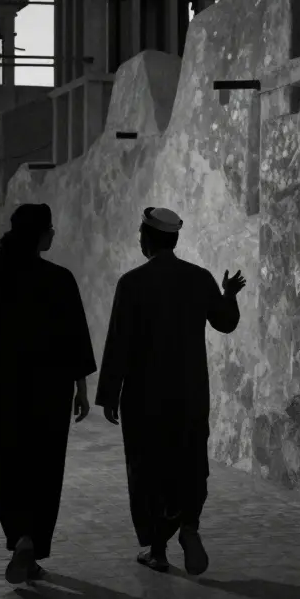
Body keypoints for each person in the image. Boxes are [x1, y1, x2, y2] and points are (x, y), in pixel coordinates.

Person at [95, 207, 246, 575]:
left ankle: (157, 549)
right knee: (189, 462)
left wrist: (109, 394)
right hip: (190, 393)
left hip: (144, 397)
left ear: (147, 240)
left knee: (148, 469)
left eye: (140, 235)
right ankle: (189, 525)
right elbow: (225, 322)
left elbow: (118, 342)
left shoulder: (132, 283)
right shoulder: (199, 279)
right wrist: (229, 294)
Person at [0, 203, 97, 585]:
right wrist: (81, 388)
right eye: (49, 229)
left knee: (4, 467)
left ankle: (20, 538)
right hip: (50, 393)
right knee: (44, 469)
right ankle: (30, 543)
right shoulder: (60, 280)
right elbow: (75, 337)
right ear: (38, 234)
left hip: (4, 391)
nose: (53, 234)